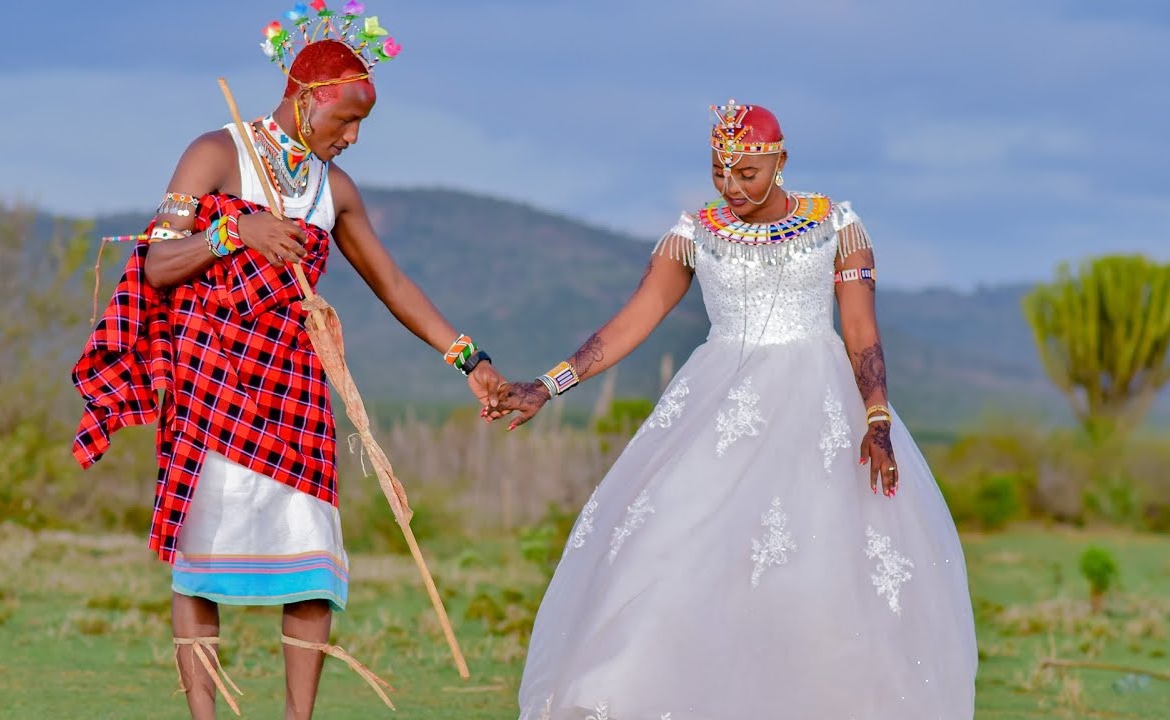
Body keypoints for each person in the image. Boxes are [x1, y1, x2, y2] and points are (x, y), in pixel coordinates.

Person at [71, 7, 503, 718]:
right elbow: (154, 264)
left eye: (362, 125)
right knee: (202, 557)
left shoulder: (334, 192)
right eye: (346, 121)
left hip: (297, 382)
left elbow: (393, 286)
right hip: (211, 375)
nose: (353, 138)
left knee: (312, 561)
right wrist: (235, 230)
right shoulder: (216, 152)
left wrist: (470, 361)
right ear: (308, 98)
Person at [492, 100, 977, 719]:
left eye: (747, 172)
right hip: (717, 411)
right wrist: (548, 383)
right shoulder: (695, 233)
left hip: (817, 412)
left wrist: (876, 419)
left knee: (815, 575)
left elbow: (860, 330)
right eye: (721, 171)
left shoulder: (838, 225)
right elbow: (634, 320)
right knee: (669, 551)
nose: (732, 186)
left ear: (779, 162)